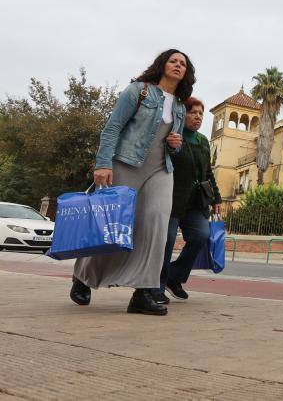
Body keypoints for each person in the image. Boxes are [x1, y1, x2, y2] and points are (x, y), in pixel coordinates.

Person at [70, 49, 194, 316]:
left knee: (157, 226)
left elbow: (174, 145)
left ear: (186, 72)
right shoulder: (139, 91)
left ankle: (143, 292)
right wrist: (103, 163)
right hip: (126, 164)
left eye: (182, 63)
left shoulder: (181, 107)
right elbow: (113, 126)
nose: (177, 65)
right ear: (162, 65)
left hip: (161, 169)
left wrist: (176, 144)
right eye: (173, 60)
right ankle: (83, 276)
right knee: (112, 226)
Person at [155, 97, 221, 304]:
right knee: (166, 242)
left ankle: (174, 277)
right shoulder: (173, 135)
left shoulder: (202, 141)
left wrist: (216, 198)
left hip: (196, 202)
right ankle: (156, 287)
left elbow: (208, 172)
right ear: (183, 114)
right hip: (173, 199)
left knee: (201, 236)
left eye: (201, 113)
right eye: (193, 112)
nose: (198, 117)